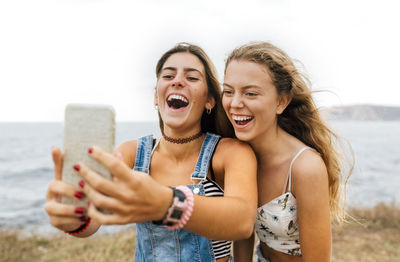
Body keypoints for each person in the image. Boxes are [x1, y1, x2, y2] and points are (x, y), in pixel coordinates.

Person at [45, 43, 258, 262]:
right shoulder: (130, 154)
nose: (177, 81)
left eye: (192, 78)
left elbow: (242, 222)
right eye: (168, 76)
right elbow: (95, 219)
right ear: (156, 97)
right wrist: (75, 220)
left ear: (209, 101)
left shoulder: (230, 153)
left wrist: (166, 203)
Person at [221, 42, 352, 262]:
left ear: (281, 102)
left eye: (251, 93)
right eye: (228, 91)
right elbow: (243, 231)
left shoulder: (305, 167)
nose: (235, 103)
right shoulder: (239, 154)